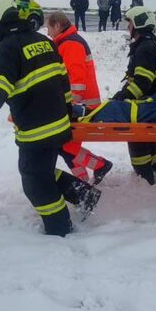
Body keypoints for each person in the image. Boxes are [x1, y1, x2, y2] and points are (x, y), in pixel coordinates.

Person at [0, 0, 101, 237]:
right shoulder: (45, 42)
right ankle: (84, 195)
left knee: (35, 183)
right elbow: (64, 83)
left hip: (36, 132)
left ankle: (60, 228)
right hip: (58, 127)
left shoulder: (8, 49)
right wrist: (67, 114)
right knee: (43, 170)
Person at [46, 11, 113, 183]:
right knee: (66, 147)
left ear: (58, 26)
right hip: (80, 105)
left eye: (49, 28)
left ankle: (99, 166)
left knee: (66, 146)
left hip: (83, 107)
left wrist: (71, 105)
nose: (47, 33)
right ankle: (83, 180)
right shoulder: (67, 42)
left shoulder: (71, 44)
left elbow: (76, 80)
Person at [113, 6, 156, 184]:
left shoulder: (145, 48)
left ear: (138, 24)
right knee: (149, 139)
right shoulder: (146, 45)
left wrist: (122, 98)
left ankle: (144, 180)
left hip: (145, 105)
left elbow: (142, 83)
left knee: (136, 138)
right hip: (151, 103)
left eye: (130, 22)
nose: (128, 27)